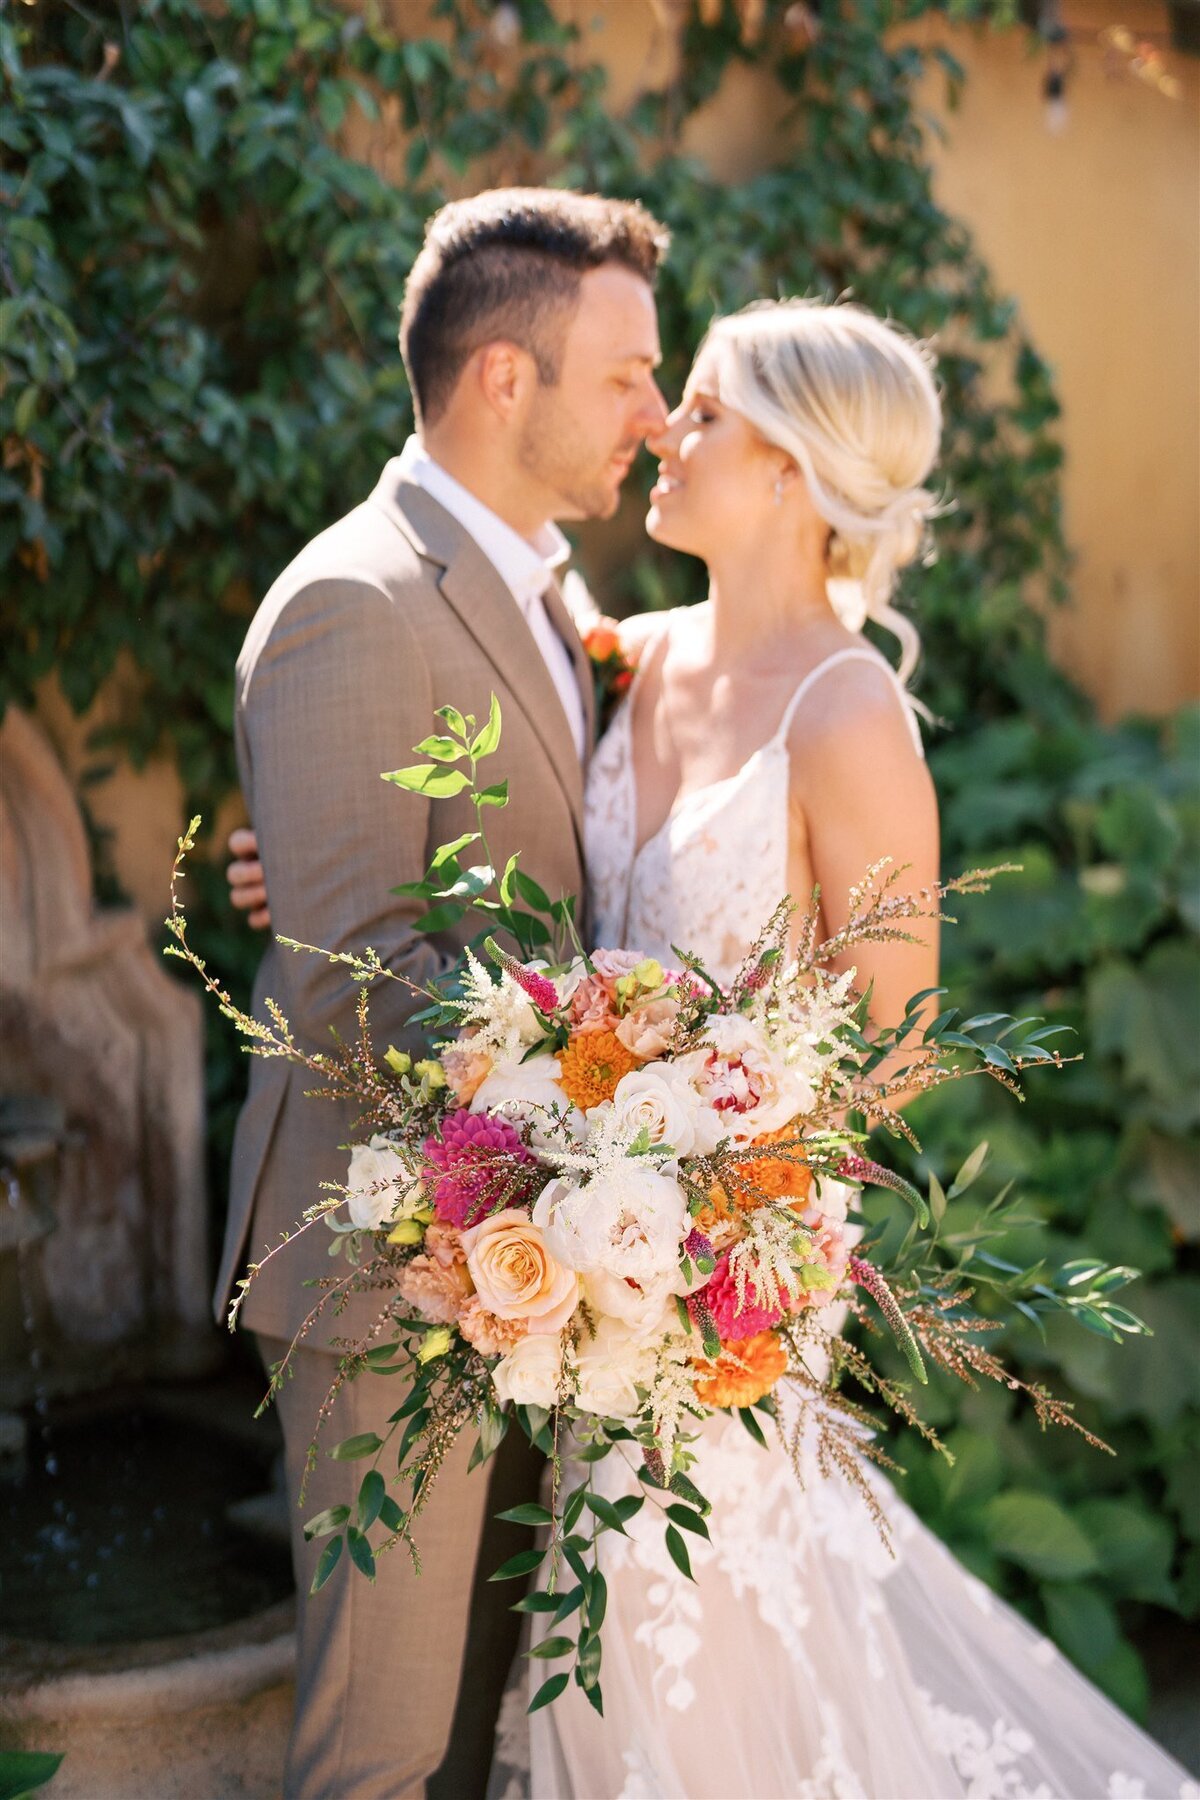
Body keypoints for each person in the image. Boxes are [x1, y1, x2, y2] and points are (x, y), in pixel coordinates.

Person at [231, 295, 1196, 1796]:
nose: (665, 432)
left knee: (687, 1667)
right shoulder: (633, 651)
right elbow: (476, 829)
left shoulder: (851, 713)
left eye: (709, 414)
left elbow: (899, 1050)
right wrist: (291, 852)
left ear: (797, 474)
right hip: (588, 1280)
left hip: (723, 1297)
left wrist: (703, 1213)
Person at [217, 186, 669, 1800]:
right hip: (390, 1265)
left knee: (501, 1724)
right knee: (386, 1751)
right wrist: (635, 1097)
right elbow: (352, 981)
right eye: (626, 373)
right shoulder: (357, 599)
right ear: (503, 377)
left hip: (558, 1259)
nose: (657, 412)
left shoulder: (563, 600)